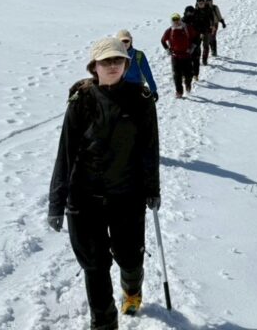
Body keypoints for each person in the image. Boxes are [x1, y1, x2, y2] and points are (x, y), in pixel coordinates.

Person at [48, 37, 160, 329]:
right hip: (84, 199)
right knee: (95, 266)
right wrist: (56, 203)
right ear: (94, 66)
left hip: (127, 195)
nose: (112, 66)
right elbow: (66, 153)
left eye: (118, 60)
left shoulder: (141, 100)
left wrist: (152, 189)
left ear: (126, 64)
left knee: (129, 256)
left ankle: (132, 291)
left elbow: (149, 148)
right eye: (106, 61)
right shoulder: (81, 100)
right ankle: (104, 323)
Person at [116, 30, 158, 101]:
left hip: (137, 88)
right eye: (122, 41)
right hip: (120, 89)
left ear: (131, 41)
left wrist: (153, 89)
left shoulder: (139, 55)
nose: (124, 43)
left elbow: (147, 73)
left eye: (126, 41)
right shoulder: (114, 56)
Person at [161, 13, 194, 97]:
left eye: (178, 20)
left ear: (180, 20)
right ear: (172, 21)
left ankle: (188, 84)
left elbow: (196, 37)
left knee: (189, 74)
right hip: (175, 56)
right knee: (177, 75)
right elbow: (163, 40)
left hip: (186, 56)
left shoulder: (186, 28)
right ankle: (179, 92)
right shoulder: (170, 30)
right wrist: (167, 50)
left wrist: (192, 48)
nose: (176, 22)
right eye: (174, 20)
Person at [193, 0, 215, 66]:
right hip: (198, 31)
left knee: (206, 46)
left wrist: (212, 26)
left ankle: (204, 60)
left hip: (207, 30)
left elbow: (212, 18)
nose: (201, 5)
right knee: (197, 47)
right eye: (199, 3)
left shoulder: (208, 9)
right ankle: (197, 59)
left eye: (202, 3)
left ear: (204, 3)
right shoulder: (195, 11)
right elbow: (194, 22)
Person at [182, 5, 202, 82]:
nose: (190, 14)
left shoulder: (197, 20)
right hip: (185, 44)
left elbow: (200, 31)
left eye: (192, 12)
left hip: (196, 43)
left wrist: (196, 43)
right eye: (189, 12)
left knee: (196, 60)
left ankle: (196, 75)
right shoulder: (182, 21)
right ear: (186, 12)